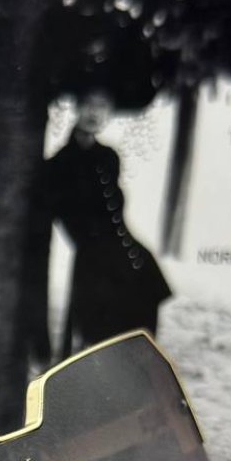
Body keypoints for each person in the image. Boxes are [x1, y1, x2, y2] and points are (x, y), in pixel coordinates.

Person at [46, 89, 171, 358]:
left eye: (102, 106)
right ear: (76, 107)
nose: (94, 113)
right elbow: (69, 219)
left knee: (141, 320)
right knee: (99, 333)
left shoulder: (109, 157)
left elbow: (115, 212)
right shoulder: (60, 163)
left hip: (127, 254)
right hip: (94, 260)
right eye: (89, 104)